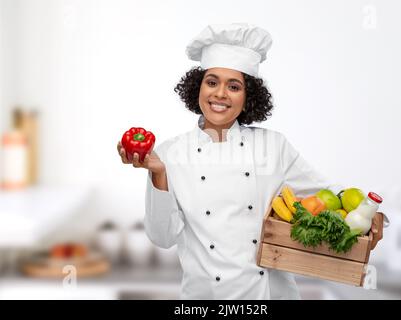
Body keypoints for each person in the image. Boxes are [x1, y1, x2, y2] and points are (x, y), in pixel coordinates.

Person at [117, 23, 385, 299]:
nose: (220, 94)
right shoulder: (169, 154)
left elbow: (329, 196)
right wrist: (158, 174)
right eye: (212, 82)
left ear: (248, 98)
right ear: (197, 88)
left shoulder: (273, 146)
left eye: (234, 86)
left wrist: (373, 215)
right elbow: (162, 238)